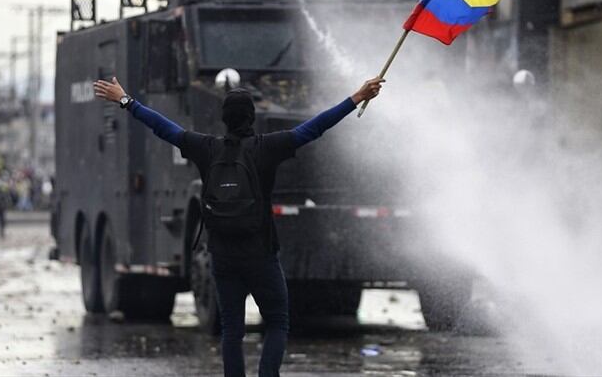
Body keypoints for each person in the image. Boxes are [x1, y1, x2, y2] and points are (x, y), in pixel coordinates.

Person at [93, 75, 384, 377]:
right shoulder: (267, 147)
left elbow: (164, 128)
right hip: (260, 254)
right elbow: (315, 127)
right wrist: (357, 97)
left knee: (232, 330)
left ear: (224, 119)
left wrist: (126, 100)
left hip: (222, 256)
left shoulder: (206, 148)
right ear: (252, 118)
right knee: (277, 322)